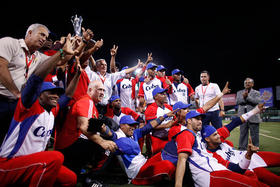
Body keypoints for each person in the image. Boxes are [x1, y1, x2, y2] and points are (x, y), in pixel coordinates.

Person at [0, 34, 80, 186]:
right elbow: (36, 79)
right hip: (8, 165)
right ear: (39, 95)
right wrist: (61, 53)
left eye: (57, 93)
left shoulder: (52, 111)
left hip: (32, 165)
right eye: (51, 92)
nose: (56, 96)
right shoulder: (28, 106)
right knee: (55, 158)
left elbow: (68, 95)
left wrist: (78, 74)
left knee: (70, 178)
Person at [162, 110, 267, 187]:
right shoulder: (186, 134)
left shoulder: (198, 137)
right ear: (189, 121)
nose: (200, 121)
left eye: (201, 119)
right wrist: (178, 185)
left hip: (217, 172)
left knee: (251, 176)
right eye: (197, 119)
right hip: (211, 175)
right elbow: (182, 159)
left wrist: (248, 154)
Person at [202, 105, 280, 187]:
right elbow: (237, 169)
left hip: (248, 156)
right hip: (245, 166)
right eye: (215, 135)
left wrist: (255, 110)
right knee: (274, 180)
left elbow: (235, 122)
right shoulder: (213, 157)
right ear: (207, 139)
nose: (219, 135)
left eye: (217, 133)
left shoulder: (217, 136)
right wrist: (248, 155)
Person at [0, 23, 51, 144]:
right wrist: (16, 92)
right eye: (41, 34)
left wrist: (72, 47)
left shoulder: (38, 56)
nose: (44, 39)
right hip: (1, 99)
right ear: (29, 33)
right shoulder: (10, 43)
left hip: (15, 105)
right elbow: (1, 66)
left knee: (6, 141)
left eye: (46, 37)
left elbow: (60, 61)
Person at [54, 79, 118, 175]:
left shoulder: (91, 104)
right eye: (99, 89)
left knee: (104, 140)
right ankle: (91, 178)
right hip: (69, 145)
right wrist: (103, 142)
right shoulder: (87, 102)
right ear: (90, 90)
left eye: (104, 90)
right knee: (107, 147)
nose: (102, 93)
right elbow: (84, 127)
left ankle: (81, 168)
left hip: (70, 144)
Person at [103, 114, 176, 185]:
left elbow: (148, 127)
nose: (133, 127)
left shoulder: (133, 133)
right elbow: (111, 134)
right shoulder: (117, 135)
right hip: (137, 173)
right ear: (122, 126)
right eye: (130, 125)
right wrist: (102, 127)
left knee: (165, 154)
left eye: (134, 125)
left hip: (145, 162)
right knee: (167, 165)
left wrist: (164, 116)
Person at [144, 86, 174, 156]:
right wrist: (165, 125)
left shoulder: (168, 107)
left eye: (165, 93)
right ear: (155, 97)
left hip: (168, 138)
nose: (165, 95)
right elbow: (150, 126)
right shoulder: (150, 109)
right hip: (156, 139)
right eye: (162, 94)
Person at [236, 77, 262, 150]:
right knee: (243, 133)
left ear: (252, 84)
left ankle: (255, 147)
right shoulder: (239, 92)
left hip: (253, 116)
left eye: (249, 82)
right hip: (243, 116)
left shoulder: (257, 93)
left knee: (254, 134)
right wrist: (245, 98)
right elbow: (238, 101)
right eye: (245, 83)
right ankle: (242, 148)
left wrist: (247, 97)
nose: (247, 84)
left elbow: (256, 101)